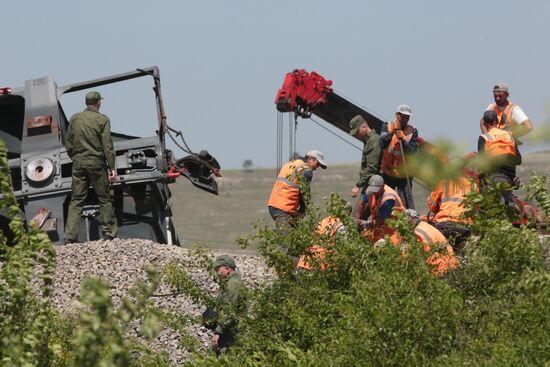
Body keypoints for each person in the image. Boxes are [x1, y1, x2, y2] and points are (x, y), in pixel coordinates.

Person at [64, 91, 117, 244]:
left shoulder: (75, 119)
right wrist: (112, 167)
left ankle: (70, 237)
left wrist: (76, 158)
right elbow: (107, 146)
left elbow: (68, 143)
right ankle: (108, 234)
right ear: (99, 102)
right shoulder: (102, 120)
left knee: (76, 200)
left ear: (86, 102)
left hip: (79, 164)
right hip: (97, 164)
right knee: (104, 198)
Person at [427, 158, 478, 249]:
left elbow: (432, 205)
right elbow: (476, 210)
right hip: (465, 226)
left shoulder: (443, 183)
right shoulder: (473, 186)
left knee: (438, 251)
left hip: (444, 224)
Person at [267, 150, 327, 226]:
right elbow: (305, 194)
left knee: (294, 233)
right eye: (317, 164)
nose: (317, 168)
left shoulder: (289, 164)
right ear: (311, 159)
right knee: (288, 236)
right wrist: (303, 211)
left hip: (275, 205)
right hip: (283, 208)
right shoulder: (306, 171)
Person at [203, 255, 247, 357]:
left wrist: (218, 333)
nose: (217, 273)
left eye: (218, 269)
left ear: (227, 269)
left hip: (230, 333)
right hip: (228, 330)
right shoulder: (231, 283)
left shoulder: (233, 285)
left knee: (223, 359)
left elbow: (229, 311)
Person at [379, 104, 419, 209]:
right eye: (403, 116)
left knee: (407, 205)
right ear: (397, 115)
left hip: (404, 175)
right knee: (384, 202)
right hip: (388, 173)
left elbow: (412, 151)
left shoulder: (412, 131)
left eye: (407, 117)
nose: (405, 119)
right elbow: (382, 144)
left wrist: (403, 140)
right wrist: (392, 133)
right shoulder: (387, 125)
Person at [478, 109, 519, 206]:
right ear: (497, 121)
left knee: (489, 207)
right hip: (509, 179)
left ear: (484, 123)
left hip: (493, 178)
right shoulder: (510, 135)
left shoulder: (485, 137)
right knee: (508, 207)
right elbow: (518, 159)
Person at [348, 115, 382, 219]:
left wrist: (358, 186)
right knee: (359, 217)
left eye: (357, 132)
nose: (356, 135)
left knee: (356, 217)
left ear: (364, 126)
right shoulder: (368, 141)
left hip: (372, 185)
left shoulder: (374, 141)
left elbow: (372, 168)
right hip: (368, 184)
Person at [361, 174, 405, 242]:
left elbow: (383, 219)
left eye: (376, 190)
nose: (374, 192)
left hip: (392, 225)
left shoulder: (388, 199)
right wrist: (360, 220)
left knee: (389, 243)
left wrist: (368, 223)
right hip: (378, 223)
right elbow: (364, 206)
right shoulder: (369, 191)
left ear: (383, 186)